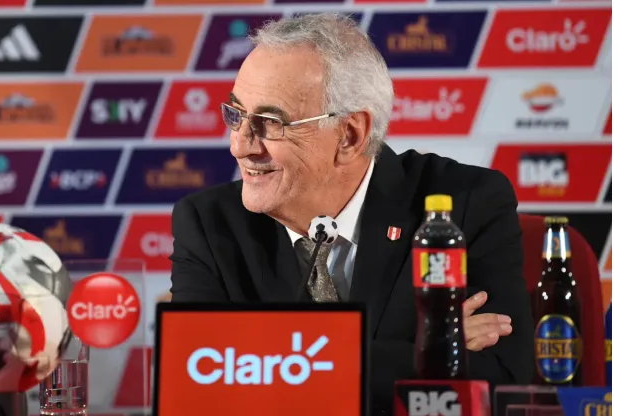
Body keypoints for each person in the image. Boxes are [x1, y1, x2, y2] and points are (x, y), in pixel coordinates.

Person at [169, 13, 534, 413]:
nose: (240, 145)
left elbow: (500, 377)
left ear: (350, 135)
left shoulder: (464, 203)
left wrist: (271, 364)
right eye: (236, 115)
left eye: (271, 123)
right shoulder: (209, 224)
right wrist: (425, 351)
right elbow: (199, 384)